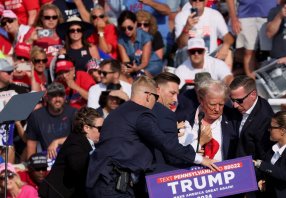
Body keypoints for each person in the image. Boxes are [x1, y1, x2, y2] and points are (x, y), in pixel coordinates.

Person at [86, 76, 218, 197]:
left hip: (100, 180)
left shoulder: (117, 112)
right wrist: (201, 159)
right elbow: (165, 142)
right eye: (156, 97)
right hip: (113, 185)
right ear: (149, 96)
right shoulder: (142, 114)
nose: (156, 103)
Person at [39, 107, 103, 198]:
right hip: (58, 193)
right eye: (100, 128)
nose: (103, 131)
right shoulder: (75, 142)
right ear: (87, 128)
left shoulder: (85, 141)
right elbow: (77, 166)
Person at [179, 79, 239, 162]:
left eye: (221, 104)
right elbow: (175, 154)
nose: (217, 109)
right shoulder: (183, 120)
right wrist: (196, 149)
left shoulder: (233, 120)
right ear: (201, 100)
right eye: (212, 104)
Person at [26, 82, 77, 160]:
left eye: (61, 95)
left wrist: (57, 141)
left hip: (70, 157)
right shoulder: (36, 116)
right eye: (53, 95)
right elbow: (31, 143)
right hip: (46, 158)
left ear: (65, 97)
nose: (57, 99)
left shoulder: (73, 113)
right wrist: (31, 165)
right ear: (47, 98)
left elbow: (80, 138)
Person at [174, 0, 234, 66]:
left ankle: (225, 75)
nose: (197, 1)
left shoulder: (215, 14)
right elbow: (180, 45)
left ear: (205, 1)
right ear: (190, 1)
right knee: (184, 50)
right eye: (194, 0)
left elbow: (228, 37)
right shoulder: (181, 16)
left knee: (228, 50)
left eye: (201, 0)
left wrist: (226, 45)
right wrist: (187, 28)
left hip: (210, 57)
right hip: (190, 56)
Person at [226, 0, 276, 78]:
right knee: (248, 51)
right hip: (245, 14)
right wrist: (233, 18)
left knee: (274, 51)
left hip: (271, 13)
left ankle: (277, 83)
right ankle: (251, 85)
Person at [229, 76, 274, 160]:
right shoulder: (231, 108)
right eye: (232, 100)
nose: (235, 105)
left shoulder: (265, 118)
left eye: (239, 101)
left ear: (253, 94)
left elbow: (264, 155)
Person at [117, 10, 163, 76]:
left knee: (142, 75)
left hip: (151, 64)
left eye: (130, 28)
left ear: (135, 24)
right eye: (123, 28)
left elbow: (145, 62)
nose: (127, 31)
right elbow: (126, 61)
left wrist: (136, 69)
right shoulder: (121, 40)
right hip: (135, 66)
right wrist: (126, 68)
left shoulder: (145, 37)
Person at [30, 4, 64, 69]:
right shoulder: (34, 33)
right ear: (42, 18)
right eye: (47, 17)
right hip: (41, 69)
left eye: (54, 17)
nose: (51, 20)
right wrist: (30, 40)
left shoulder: (64, 33)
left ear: (58, 18)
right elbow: (24, 55)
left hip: (60, 69)